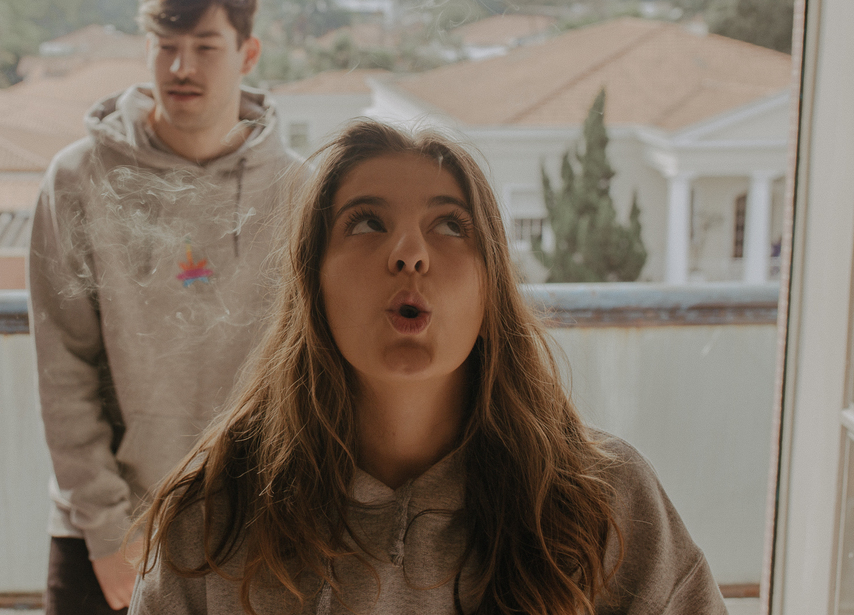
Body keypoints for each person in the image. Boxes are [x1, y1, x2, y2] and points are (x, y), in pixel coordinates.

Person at [130, 120, 727, 615]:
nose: (409, 253)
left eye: (449, 225)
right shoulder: (215, 515)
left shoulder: (603, 500)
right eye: (367, 222)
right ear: (313, 289)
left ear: (492, 296)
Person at [29, 0, 301, 614]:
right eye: (167, 45)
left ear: (248, 53)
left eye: (206, 47)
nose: (182, 67)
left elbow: (312, 367)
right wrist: (106, 530)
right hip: (106, 531)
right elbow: (63, 367)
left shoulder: (300, 189)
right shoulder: (78, 179)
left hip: (252, 528)